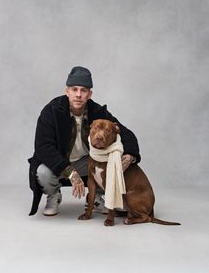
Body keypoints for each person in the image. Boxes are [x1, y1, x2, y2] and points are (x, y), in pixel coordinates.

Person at [28, 66, 141, 216]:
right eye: (74, 89)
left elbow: (126, 134)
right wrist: (70, 172)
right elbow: (43, 147)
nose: (78, 95)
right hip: (59, 162)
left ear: (89, 94)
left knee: (111, 160)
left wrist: (130, 156)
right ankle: (53, 195)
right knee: (42, 172)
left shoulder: (98, 112)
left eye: (83, 90)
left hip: (84, 162)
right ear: (67, 91)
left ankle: (96, 198)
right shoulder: (52, 111)